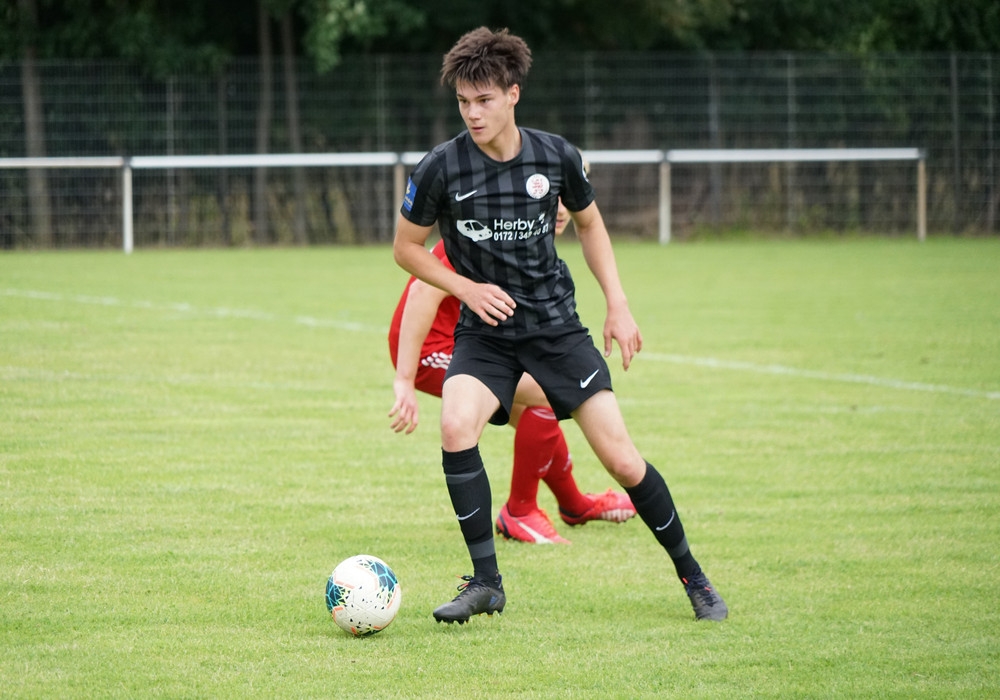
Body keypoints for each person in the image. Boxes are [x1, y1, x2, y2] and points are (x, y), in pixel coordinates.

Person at [392, 27, 728, 624]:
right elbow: (406, 249)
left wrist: (617, 304)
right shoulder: (442, 167)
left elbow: (590, 224)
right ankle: (486, 583)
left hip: (555, 330)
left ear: (513, 94)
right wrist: (467, 288)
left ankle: (693, 577)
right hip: (485, 335)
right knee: (456, 425)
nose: (473, 114)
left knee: (622, 461)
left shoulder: (555, 156)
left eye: (484, 100)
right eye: (464, 102)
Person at [389, 188, 637, 546]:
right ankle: (520, 512)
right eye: (555, 196)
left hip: (463, 341)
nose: (562, 209)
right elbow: (421, 293)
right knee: (548, 392)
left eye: (566, 198)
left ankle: (574, 505)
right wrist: (405, 378)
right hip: (429, 347)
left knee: (535, 414)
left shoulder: (524, 233)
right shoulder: (491, 233)